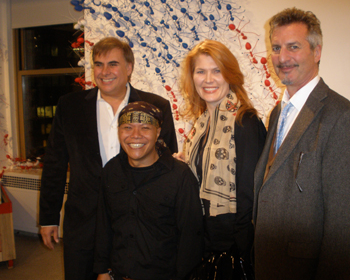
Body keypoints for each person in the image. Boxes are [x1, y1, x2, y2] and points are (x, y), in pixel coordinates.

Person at [39, 37, 178, 280]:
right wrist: (48, 217)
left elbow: (165, 166)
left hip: (137, 220)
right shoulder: (69, 106)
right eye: (98, 64)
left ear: (129, 68)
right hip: (84, 221)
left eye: (113, 64)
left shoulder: (156, 106)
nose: (104, 72)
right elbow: (54, 163)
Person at [253, 7, 350, 280]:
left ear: (317, 52)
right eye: (277, 47)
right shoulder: (278, 113)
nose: (282, 57)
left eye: (293, 47)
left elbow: (342, 229)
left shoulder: (342, 118)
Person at [175, 39, 266, 278]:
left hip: (230, 241)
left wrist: (240, 247)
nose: (208, 79)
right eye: (201, 71)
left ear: (230, 75)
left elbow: (250, 190)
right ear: (192, 77)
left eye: (217, 70)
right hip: (203, 235)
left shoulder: (244, 121)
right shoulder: (202, 122)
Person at [94, 101, 203, 280]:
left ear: (157, 132)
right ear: (119, 131)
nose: (135, 136)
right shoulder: (111, 171)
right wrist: (102, 270)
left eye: (145, 128)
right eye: (127, 127)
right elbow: (104, 224)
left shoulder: (180, 176)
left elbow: (191, 238)